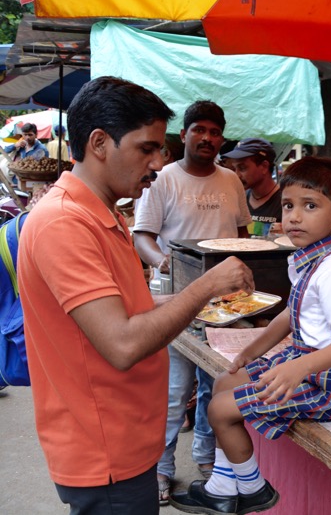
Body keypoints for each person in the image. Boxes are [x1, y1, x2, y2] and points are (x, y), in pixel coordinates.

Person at [16, 76, 254, 515]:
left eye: (159, 149)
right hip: (104, 448)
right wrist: (205, 284)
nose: (157, 163)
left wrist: (199, 302)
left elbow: (128, 311)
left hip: (125, 438)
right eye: (146, 148)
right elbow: (123, 343)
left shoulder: (103, 213)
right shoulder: (64, 223)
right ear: (100, 143)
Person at [170, 157, 331, 515]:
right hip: (304, 363)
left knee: (220, 408)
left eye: (310, 206)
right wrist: (253, 349)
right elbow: (288, 313)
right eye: (289, 205)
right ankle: (222, 485)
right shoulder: (310, 259)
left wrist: (299, 369)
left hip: (325, 381)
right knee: (224, 382)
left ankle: (253, 490)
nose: (295, 216)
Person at [133, 100, 252, 504]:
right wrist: (166, 261)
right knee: (171, 390)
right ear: (183, 135)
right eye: (199, 129)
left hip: (225, 306)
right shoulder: (163, 179)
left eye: (214, 132)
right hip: (173, 301)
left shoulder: (231, 181)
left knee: (213, 387)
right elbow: (142, 236)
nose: (207, 138)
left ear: (222, 139)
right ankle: (161, 470)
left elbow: (242, 236)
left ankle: (204, 458)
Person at [222, 138, 282, 237]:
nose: (237, 175)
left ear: (264, 166)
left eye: (242, 168)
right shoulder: (238, 199)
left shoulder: (285, 202)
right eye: (234, 168)